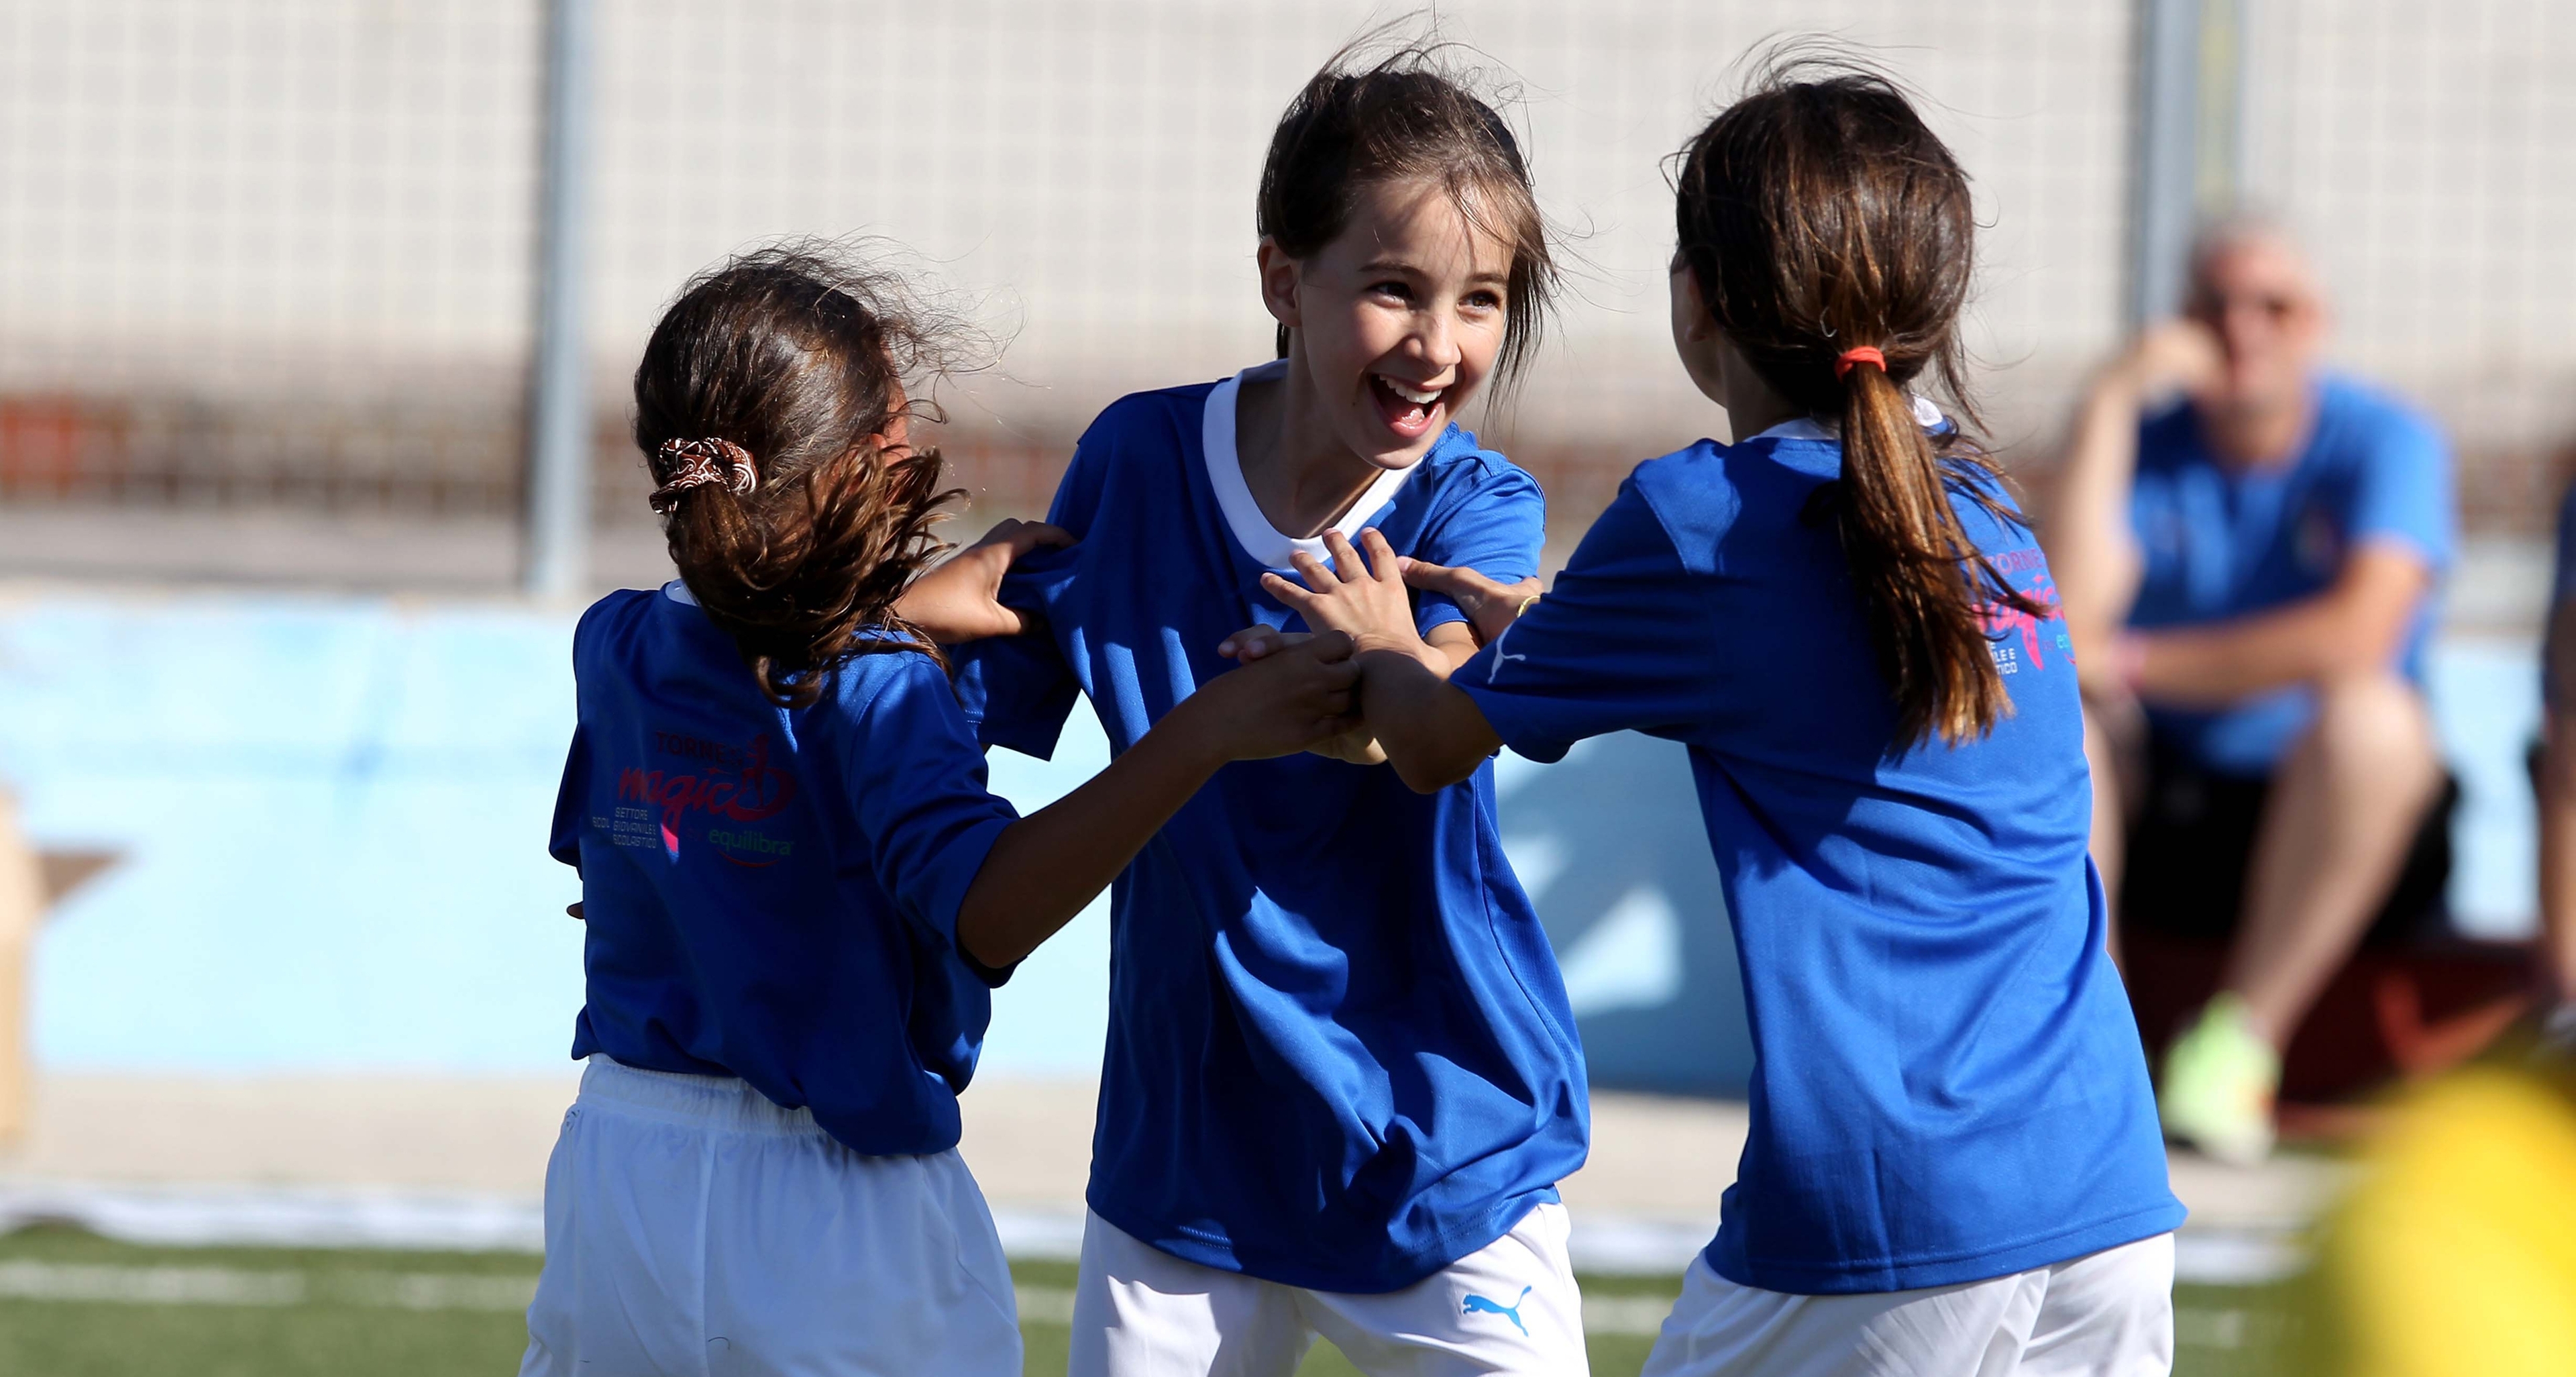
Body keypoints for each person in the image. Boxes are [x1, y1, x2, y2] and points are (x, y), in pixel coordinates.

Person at [1256, 62, 2184, 1374]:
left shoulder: (1702, 518)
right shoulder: (1979, 508)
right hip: (2106, 1188)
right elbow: (1802, 685)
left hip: (1889, 1212)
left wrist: (1384, 639)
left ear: (1697, 299)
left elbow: (1428, 744)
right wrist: (1552, 632)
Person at [519, 244, 1361, 1377]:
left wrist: (902, 618)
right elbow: (982, 912)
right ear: (865, 465)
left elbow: (732, 708)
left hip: (617, 1181)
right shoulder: (879, 685)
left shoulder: (614, 643)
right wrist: (1203, 734)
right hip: (836, 1209)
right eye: (905, 429)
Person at [914, 42, 1591, 1377]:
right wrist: (907, 613)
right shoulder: (1140, 455)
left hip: (1443, 1144)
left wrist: (1397, 659)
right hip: (1188, 1161)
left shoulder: (1479, 507)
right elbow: (1000, 665)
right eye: (1394, 289)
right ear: (1283, 275)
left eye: (1482, 301)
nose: (1439, 345)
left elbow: (1429, 725)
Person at [2043, 217, 2457, 1164]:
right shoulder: (2147, 443)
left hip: (2343, 834)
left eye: (2274, 305)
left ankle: (2237, 1051)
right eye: (2216, 306)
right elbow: (2066, 628)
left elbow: (2359, 634)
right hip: (2176, 814)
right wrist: (2107, 400)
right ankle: (2091, 1059)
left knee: (2375, 719)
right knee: (2063, 722)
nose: (2244, 329)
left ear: (2317, 323)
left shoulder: (2389, 441)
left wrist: (2140, 663)